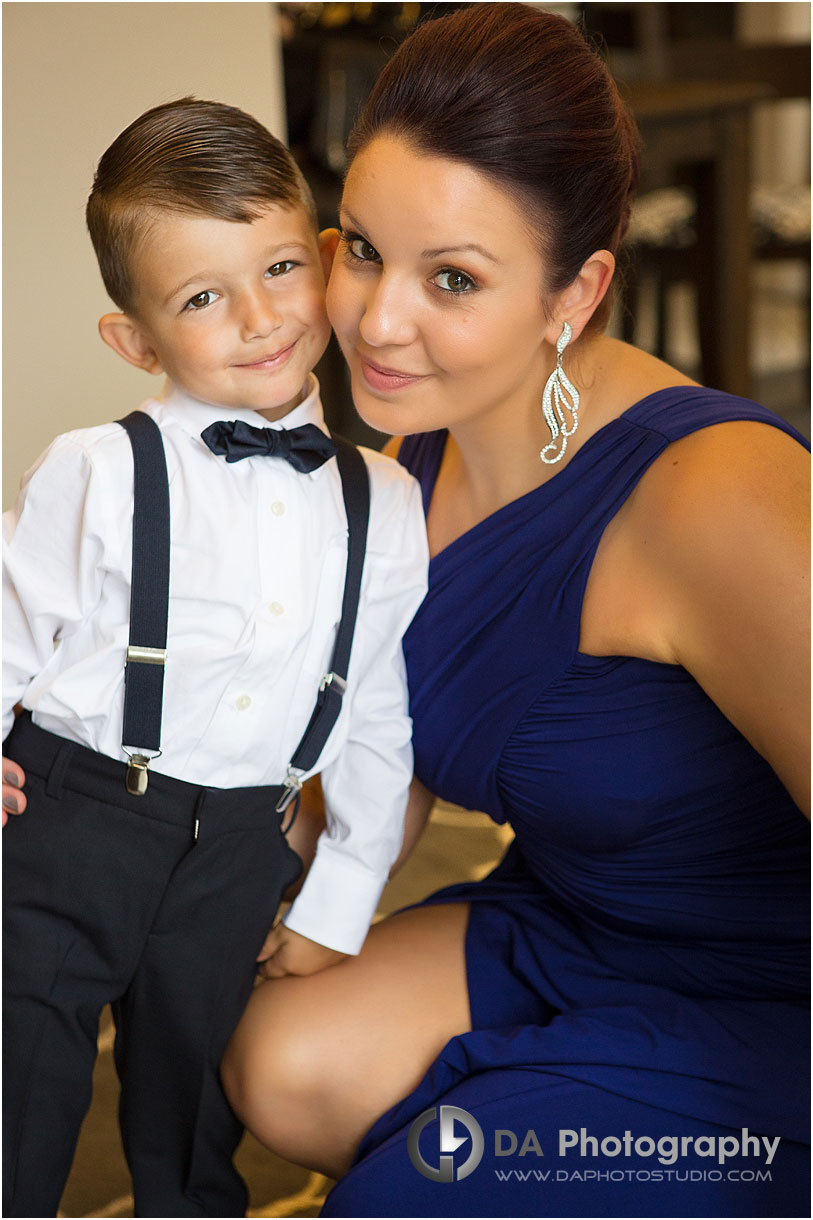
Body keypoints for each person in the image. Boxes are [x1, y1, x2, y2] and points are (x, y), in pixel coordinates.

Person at [220, 6, 811, 1217]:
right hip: (585, 919)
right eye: (365, 249)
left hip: (777, 987)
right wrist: (90, 808)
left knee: (413, 1194)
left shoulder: (718, 499)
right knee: (277, 1059)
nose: (379, 321)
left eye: (453, 279)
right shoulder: (418, 447)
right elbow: (373, 786)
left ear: (577, 289)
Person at [2, 97, 427, 1218]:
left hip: (244, 837)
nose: (259, 316)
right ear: (136, 340)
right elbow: (7, 621)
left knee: (192, 1100)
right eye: (203, 297)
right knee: (21, 1069)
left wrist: (338, 896)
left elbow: (378, 718)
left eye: (281, 267)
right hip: (72, 815)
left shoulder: (384, 502)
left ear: (325, 259)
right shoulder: (94, 468)